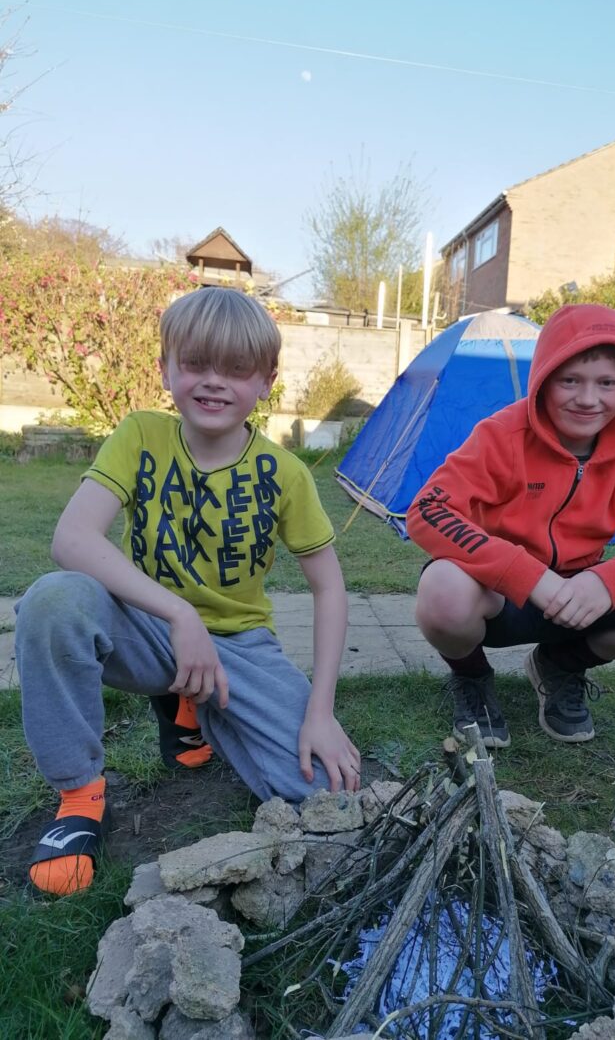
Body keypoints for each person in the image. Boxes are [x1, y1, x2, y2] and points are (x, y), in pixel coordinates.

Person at [16, 286, 360, 896]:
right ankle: (80, 796)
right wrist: (179, 614)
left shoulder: (285, 473)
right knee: (53, 601)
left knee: (322, 789)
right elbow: (71, 539)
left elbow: (329, 588)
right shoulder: (141, 435)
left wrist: (321, 713)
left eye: (236, 369)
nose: (214, 381)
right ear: (166, 370)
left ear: (266, 381)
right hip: (149, 629)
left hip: (241, 646)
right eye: (196, 363)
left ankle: (194, 707)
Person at [407, 303, 615, 750]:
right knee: (442, 588)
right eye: (570, 380)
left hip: (583, 600)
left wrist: (609, 582)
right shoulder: (501, 435)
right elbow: (428, 510)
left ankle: (561, 664)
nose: (588, 399)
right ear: (543, 379)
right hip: (503, 597)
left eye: (607, 383)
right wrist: (527, 575)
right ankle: (471, 677)